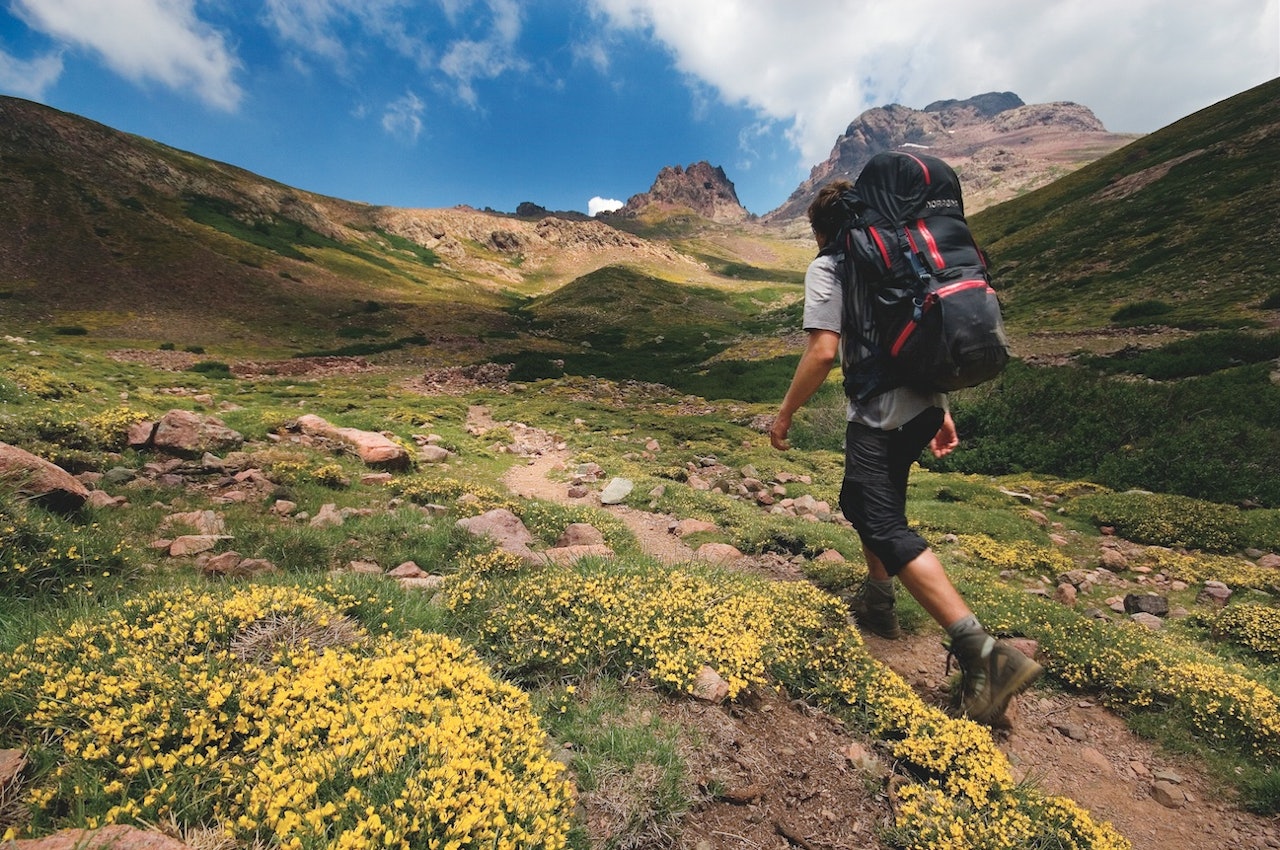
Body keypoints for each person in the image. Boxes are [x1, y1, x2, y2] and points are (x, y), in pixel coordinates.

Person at [768, 178, 1042, 725]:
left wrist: (785, 413)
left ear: (821, 227)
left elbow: (823, 352)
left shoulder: (832, 263)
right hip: (923, 406)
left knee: (879, 515)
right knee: (863, 499)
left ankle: (984, 654)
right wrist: (939, 410)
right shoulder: (899, 253)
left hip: (879, 410)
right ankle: (879, 601)